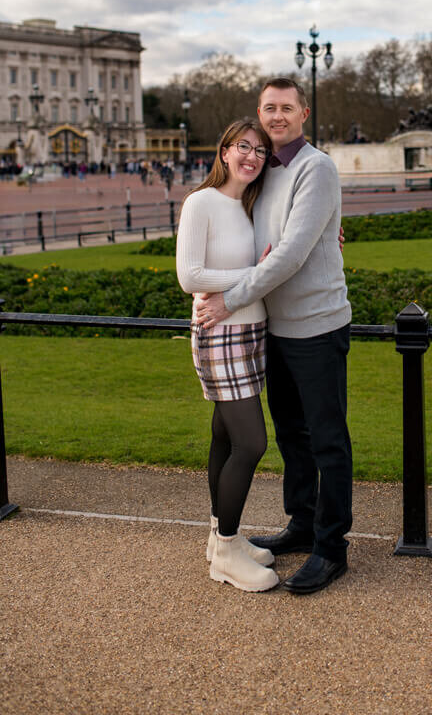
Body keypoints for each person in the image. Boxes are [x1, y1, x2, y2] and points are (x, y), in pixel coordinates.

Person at [196, 77, 352, 595]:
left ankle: (331, 548)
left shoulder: (316, 167)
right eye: (269, 108)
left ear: (303, 113)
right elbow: (250, 241)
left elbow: (290, 254)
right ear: (258, 115)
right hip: (273, 329)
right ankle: (302, 523)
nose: (277, 116)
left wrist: (230, 298)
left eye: (287, 108)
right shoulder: (264, 173)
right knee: (291, 436)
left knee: (328, 440)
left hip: (317, 324)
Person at [176, 118, 279, 593]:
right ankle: (227, 551)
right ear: (223, 151)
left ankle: (222, 541)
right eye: (243, 146)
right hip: (220, 334)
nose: (251, 157)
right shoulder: (202, 203)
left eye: (260, 151)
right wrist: (250, 273)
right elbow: (191, 277)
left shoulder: (253, 206)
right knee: (251, 444)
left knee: (224, 436)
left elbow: (277, 260)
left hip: (253, 332)